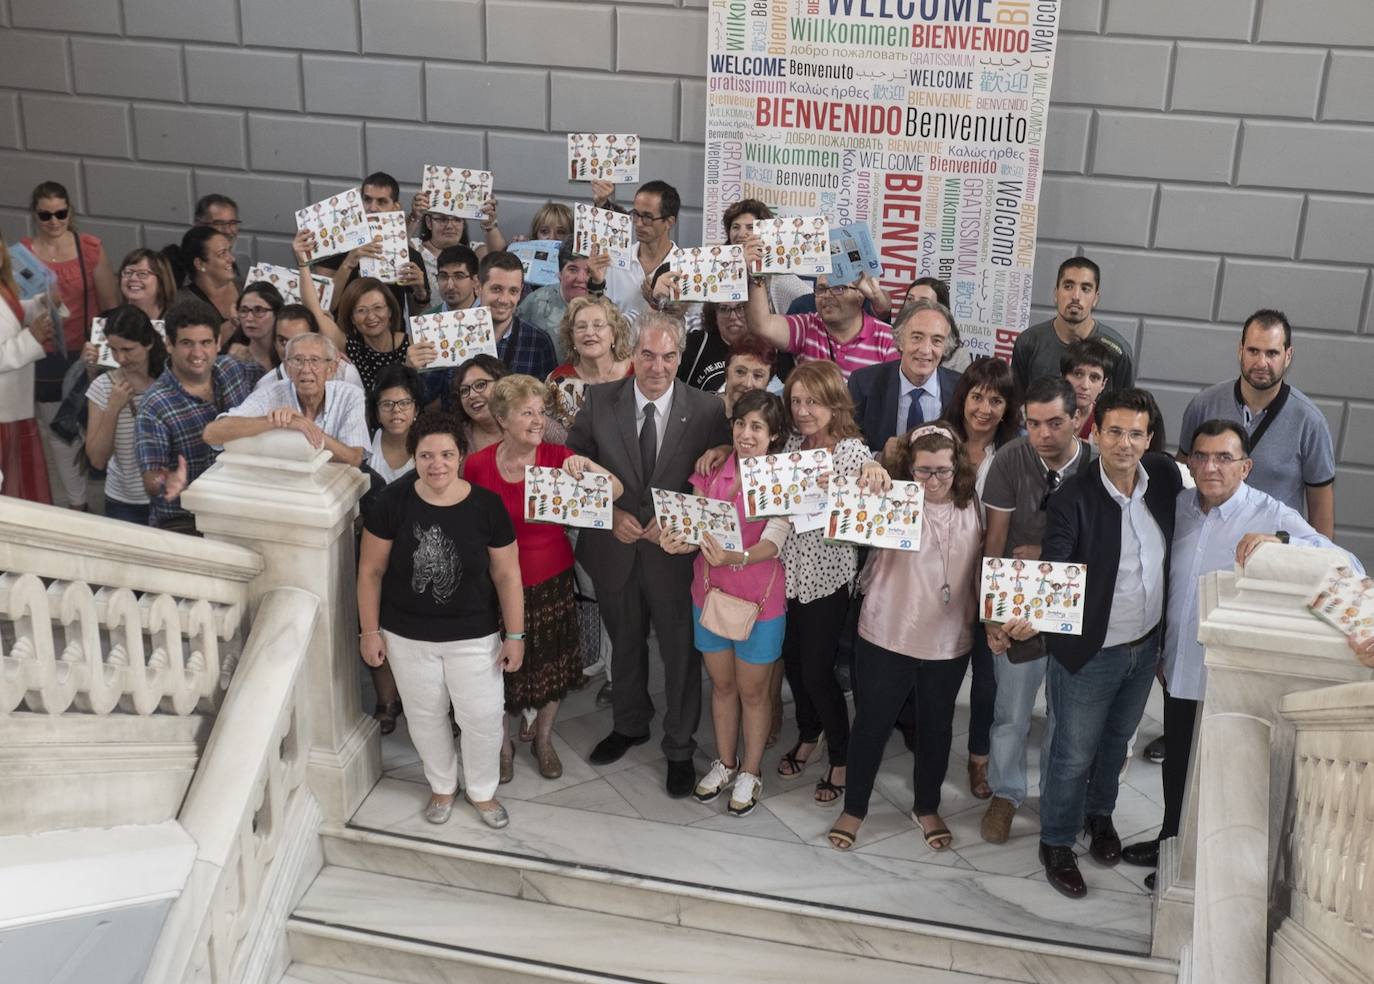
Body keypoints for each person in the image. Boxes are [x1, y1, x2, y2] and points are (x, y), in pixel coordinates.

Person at [1119, 419, 1364, 888]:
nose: (1211, 467)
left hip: (1230, 675)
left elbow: (1344, 563)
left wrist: (1282, 543)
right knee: (1178, 764)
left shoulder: (1270, 514)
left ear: (1246, 467)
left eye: (1224, 458)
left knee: (1218, 774)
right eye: (1201, 457)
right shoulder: (1180, 508)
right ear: (1189, 461)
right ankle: (1171, 839)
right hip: (1178, 665)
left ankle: (1199, 862)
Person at [993, 388, 1182, 900]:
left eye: (1136, 433)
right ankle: (1055, 841)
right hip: (1090, 652)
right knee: (1071, 755)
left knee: (1116, 744)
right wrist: (1035, 611)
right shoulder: (1074, 496)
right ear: (1094, 433)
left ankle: (1100, 818)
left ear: (1149, 439)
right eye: (1114, 431)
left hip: (1144, 648)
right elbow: (1058, 559)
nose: (1125, 443)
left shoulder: (1164, 478)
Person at [566, 312, 732, 797]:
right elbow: (574, 469)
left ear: (680, 356)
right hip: (615, 549)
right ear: (630, 353)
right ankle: (630, 722)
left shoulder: (706, 410)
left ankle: (679, 747)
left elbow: (718, 486)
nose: (657, 366)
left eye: (668, 356)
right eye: (647, 354)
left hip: (674, 556)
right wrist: (608, 513)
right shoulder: (597, 399)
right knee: (626, 642)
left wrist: (682, 523)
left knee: (680, 654)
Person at [357, 410, 526, 829]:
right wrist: (369, 631)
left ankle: (483, 791)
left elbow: (508, 574)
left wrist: (516, 634)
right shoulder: (391, 503)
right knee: (425, 715)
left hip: (474, 635)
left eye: (447, 454)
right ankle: (442, 785)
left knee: (483, 716)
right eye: (427, 455)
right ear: (414, 456)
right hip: (407, 636)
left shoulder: (486, 506)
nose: (437, 465)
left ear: (461, 455)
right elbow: (370, 572)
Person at [828, 424, 984, 851]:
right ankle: (855, 807)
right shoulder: (890, 496)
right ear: (908, 468)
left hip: (950, 639)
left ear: (958, 468)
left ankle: (927, 805)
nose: (933, 481)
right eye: (923, 471)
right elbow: (842, 493)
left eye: (943, 472)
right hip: (887, 632)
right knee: (872, 725)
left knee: (936, 726)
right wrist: (871, 470)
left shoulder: (972, 505)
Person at [466, 375, 622, 783]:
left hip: (551, 576)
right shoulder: (478, 466)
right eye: (527, 413)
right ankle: (502, 745)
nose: (538, 421)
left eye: (541, 412)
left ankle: (545, 739)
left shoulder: (558, 457)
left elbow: (615, 491)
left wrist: (586, 465)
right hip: (495, 586)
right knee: (494, 669)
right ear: (501, 418)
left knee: (551, 667)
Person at [661, 390, 789, 816]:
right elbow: (693, 524)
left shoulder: (781, 477)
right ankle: (725, 762)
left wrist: (740, 558)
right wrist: (677, 542)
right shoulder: (713, 468)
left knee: (754, 693)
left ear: (774, 436)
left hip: (759, 603)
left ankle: (751, 770)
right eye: (740, 424)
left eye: (757, 427)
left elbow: (775, 539)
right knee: (722, 687)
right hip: (709, 596)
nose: (746, 434)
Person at [978, 377, 1095, 845]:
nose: (1043, 434)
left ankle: (1058, 800)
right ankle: (1006, 793)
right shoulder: (1011, 459)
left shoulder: (1098, 463)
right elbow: (994, 541)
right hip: (1016, 604)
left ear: (1078, 420)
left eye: (1055, 423)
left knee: (1070, 718)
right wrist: (991, 615)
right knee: (1011, 711)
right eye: (1032, 424)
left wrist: (1047, 552)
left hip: (1077, 608)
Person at [775, 360, 871, 803]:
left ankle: (842, 755)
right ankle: (808, 733)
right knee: (793, 662)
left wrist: (876, 476)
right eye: (796, 401)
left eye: (812, 401)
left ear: (834, 404)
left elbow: (871, 500)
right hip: (786, 572)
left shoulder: (852, 452)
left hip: (828, 577)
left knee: (817, 670)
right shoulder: (791, 444)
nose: (803, 411)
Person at [933, 356, 1018, 798]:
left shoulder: (1015, 455)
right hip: (940, 580)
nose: (984, 408)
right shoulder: (936, 439)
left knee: (987, 681)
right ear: (962, 397)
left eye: (996, 399)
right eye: (977, 396)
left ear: (1008, 408)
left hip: (992, 582)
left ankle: (979, 759)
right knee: (940, 676)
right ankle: (930, 751)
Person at [1177, 309, 1336, 537]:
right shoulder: (1204, 405)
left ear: (1288, 355)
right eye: (1253, 351)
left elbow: (1321, 509)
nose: (1261, 362)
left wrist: (1320, 559)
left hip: (1270, 556)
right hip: (1206, 544)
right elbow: (1182, 476)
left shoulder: (1310, 422)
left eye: (1272, 353)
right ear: (1240, 350)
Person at [23, 181, 120, 510]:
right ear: (35, 215)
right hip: (45, 355)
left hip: (87, 353)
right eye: (46, 215)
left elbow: (109, 305)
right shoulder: (22, 253)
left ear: (70, 212)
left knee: (97, 427)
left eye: (60, 213)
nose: (53, 221)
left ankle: (113, 496)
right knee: (60, 434)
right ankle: (78, 503)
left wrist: (100, 350)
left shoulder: (89, 248)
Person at [135, 300, 264, 532]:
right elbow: (151, 479)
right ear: (169, 344)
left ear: (218, 343)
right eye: (187, 343)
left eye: (205, 343)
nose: (197, 353)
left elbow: (275, 379)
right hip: (184, 523)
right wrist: (168, 480)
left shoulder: (232, 369)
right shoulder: (154, 406)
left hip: (239, 512)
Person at [203, 333, 369, 467]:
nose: (306, 369)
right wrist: (274, 422)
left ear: (331, 369)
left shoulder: (350, 395)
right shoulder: (271, 392)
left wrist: (305, 427)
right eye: (298, 360)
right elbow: (212, 434)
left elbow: (354, 458)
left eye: (314, 361)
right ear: (288, 368)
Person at [742, 235, 896, 379]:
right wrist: (756, 274)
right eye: (821, 289)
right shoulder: (806, 327)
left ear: (860, 295)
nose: (827, 295)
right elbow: (761, 325)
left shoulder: (888, 340)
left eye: (838, 288)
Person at [82, 306, 167, 524]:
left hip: (170, 498)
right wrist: (113, 408)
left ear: (148, 343)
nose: (121, 358)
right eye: (113, 349)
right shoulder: (103, 386)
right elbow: (97, 460)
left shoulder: (169, 382)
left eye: (128, 349)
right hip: (123, 502)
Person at [849, 298, 961, 452]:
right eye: (917, 337)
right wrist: (878, 459)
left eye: (936, 341)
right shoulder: (863, 383)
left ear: (946, 347)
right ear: (900, 340)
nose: (925, 350)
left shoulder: (961, 388)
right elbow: (848, 444)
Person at [1011, 257, 1133, 393]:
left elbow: (1125, 409)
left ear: (1096, 298)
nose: (1075, 296)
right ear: (1056, 294)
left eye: (1085, 289)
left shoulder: (1118, 351)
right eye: (1068, 286)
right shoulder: (1029, 342)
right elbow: (1018, 404)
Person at [315, 172, 430, 316]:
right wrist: (348, 263)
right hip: (344, 335)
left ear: (395, 208)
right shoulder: (334, 247)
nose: (372, 208)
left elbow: (418, 315)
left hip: (392, 335)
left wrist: (420, 292)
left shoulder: (410, 255)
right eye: (367, 200)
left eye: (382, 202)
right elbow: (322, 307)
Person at [0, 235, 56, 503]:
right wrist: (31, 337)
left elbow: (14, 313)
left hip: (14, 405)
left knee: (21, 485)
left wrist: (42, 303)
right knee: (14, 491)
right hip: (3, 412)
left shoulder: (3, 288)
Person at [591, 180, 685, 328]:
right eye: (636, 214)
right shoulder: (614, 260)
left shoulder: (686, 267)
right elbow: (598, 314)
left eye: (647, 217)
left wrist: (664, 306)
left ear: (669, 222)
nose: (639, 224)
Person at [546, 295, 634, 426]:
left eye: (598, 325)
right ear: (572, 337)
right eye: (581, 327)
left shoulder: (638, 373)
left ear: (614, 334)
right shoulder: (557, 381)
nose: (589, 332)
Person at [722, 199, 812, 315]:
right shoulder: (723, 270)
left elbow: (813, 304)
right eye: (735, 227)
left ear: (766, 233)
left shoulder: (779, 278)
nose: (741, 234)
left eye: (750, 227)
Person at [256, 304, 364, 392]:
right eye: (283, 341)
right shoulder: (265, 386)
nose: (290, 349)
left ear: (316, 339)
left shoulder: (343, 373)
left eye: (299, 340)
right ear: (274, 343)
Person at [516, 238, 593, 362]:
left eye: (589, 271)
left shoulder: (605, 308)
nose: (581, 278)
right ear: (560, 273)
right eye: (573, 269)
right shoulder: (535, 302)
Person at [166, 225, 239, 339]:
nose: (232, 259)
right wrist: (233, 324)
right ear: (200, 264)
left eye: (229, 251)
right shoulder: (182, 302)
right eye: (222, 254)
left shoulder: (247, 288)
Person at [367, 363, 422, 485]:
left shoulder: (428, 447)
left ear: (416, 410)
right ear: (377, 414)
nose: (396, 410)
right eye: (387, 404)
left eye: (404, 403)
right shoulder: (366, 446)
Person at [903, 277, 971, 372]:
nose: (914, 305)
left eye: (923, 301)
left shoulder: (958, 355)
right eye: (910, 299)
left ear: (940, 307)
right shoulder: (887, 337)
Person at [1060, 337, 1117, 442]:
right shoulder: (1043, 414)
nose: (1085, 386)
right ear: (1063, 377)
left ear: (1103, 385)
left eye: (1094, 378)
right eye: (1077, 374)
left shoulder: (1109, 423)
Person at [225, 281, 283, 372]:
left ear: (277, 313)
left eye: (259, 310)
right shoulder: (233, 359)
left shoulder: (287, 356)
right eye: (244, 310)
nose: (249, 318)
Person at [722, 337, 780, 415]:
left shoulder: (778, 421)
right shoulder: (703, 410)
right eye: (740, 372)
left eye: (758, 375)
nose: (747, 384)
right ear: (726, 374)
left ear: (768, 382)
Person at [116, 248, 176, 321]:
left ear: (161, 281)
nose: (133, 278)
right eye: (128, 272)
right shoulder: (108, 321)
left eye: (142, 274)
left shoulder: (178, 323)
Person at [427, 244, 481, 313]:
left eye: (459, 277)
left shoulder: (491, 316)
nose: (450, 286)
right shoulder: (427, 319)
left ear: (475, 281)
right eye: (443, 276)